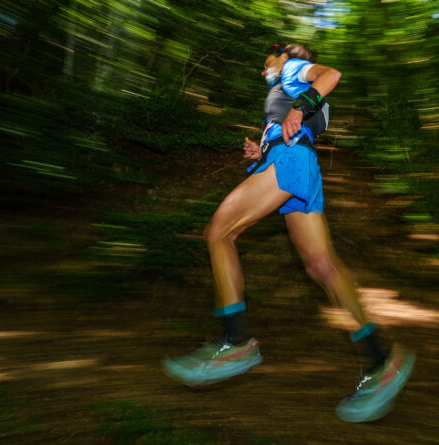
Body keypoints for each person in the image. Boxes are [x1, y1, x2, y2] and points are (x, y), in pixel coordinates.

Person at [162, 43, 415, 423]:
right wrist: (260, 151)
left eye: (267, 62)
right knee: (321, 266)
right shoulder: (288, 91)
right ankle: (381, 362)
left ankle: (236, 342)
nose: (264, 70)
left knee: (218, 233)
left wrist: (296, 110)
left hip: (290, 164)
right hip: (299, 167)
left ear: (285, 55)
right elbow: (296, 128)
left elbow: (331, 76)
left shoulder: (295, 68)